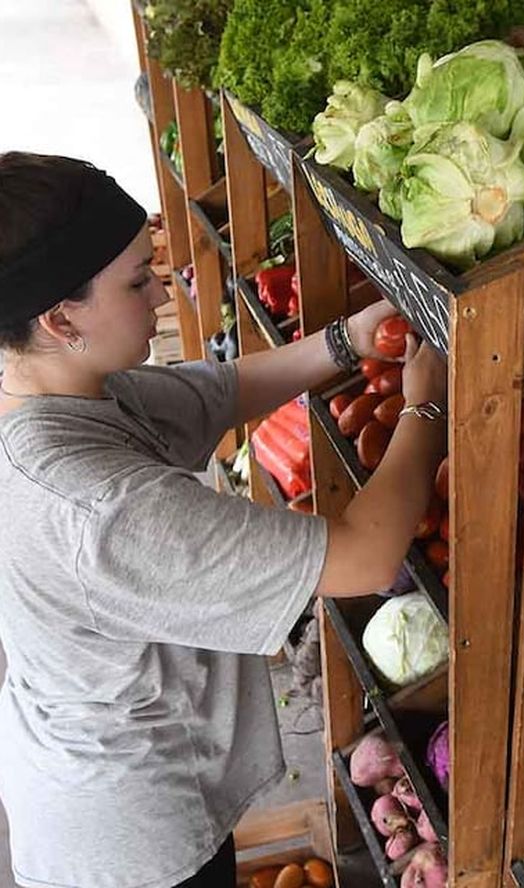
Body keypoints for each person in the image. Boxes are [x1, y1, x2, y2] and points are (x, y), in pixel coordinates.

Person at [0, 152, 448, 888]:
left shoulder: (50, 394)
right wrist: (425, 407)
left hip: (82, 762)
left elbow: (222, 390)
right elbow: (364, 559)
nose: (159, 296)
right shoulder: (99, 507)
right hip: (130, 840)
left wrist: (350, 341)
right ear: (59, 318)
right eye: (138, 282)